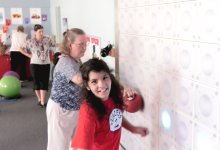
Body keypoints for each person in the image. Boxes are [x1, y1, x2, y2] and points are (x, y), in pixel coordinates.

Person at [71, 58, 149, 150]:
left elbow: (115, 115)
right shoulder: (88, 112)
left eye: (104, 78)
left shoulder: (115, 95)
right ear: (87, 86)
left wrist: (133, 129)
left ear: (110, 77)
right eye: (94, 81)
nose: (102, 85)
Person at [46, 28, 87, 150]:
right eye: (81, 44)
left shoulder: (77, 60)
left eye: (86, 44)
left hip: (73, 109)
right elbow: (80, 80)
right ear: (70, 45)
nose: (85, 47)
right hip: (61, 110)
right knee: (58, 147)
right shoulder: (65, 61)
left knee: (74, 145)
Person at [19, 24, 56, 107]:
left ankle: (42, 101)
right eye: (40, 31)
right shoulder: (30, 41)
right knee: (36, 83)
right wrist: (29, 55)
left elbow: (55, 44)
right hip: (34, 64)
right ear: (35, 32)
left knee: (44, 82)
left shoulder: (47, 39)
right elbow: (20, 48)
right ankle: (39, 99)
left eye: (42, 31)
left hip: (45, 63)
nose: (42, 33)